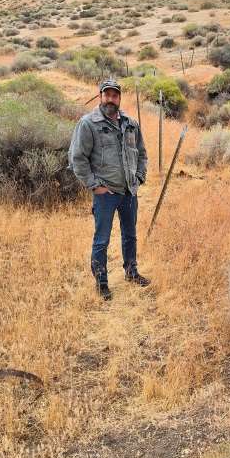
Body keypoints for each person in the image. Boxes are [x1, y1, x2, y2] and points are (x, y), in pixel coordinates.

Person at [68, 79, 150, 300]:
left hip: (129, 192)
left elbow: (142, 153)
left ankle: (131, 272)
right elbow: (77, 159)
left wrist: (139, 176)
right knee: (102, 239)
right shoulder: (88, 124)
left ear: (119, 98)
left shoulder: (131, 123)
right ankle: (101, 281)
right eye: (107, 95)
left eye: (115, 95)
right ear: (100, 96)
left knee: (130, 235)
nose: (111, 99)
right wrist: (95, 186)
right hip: (105, 194)